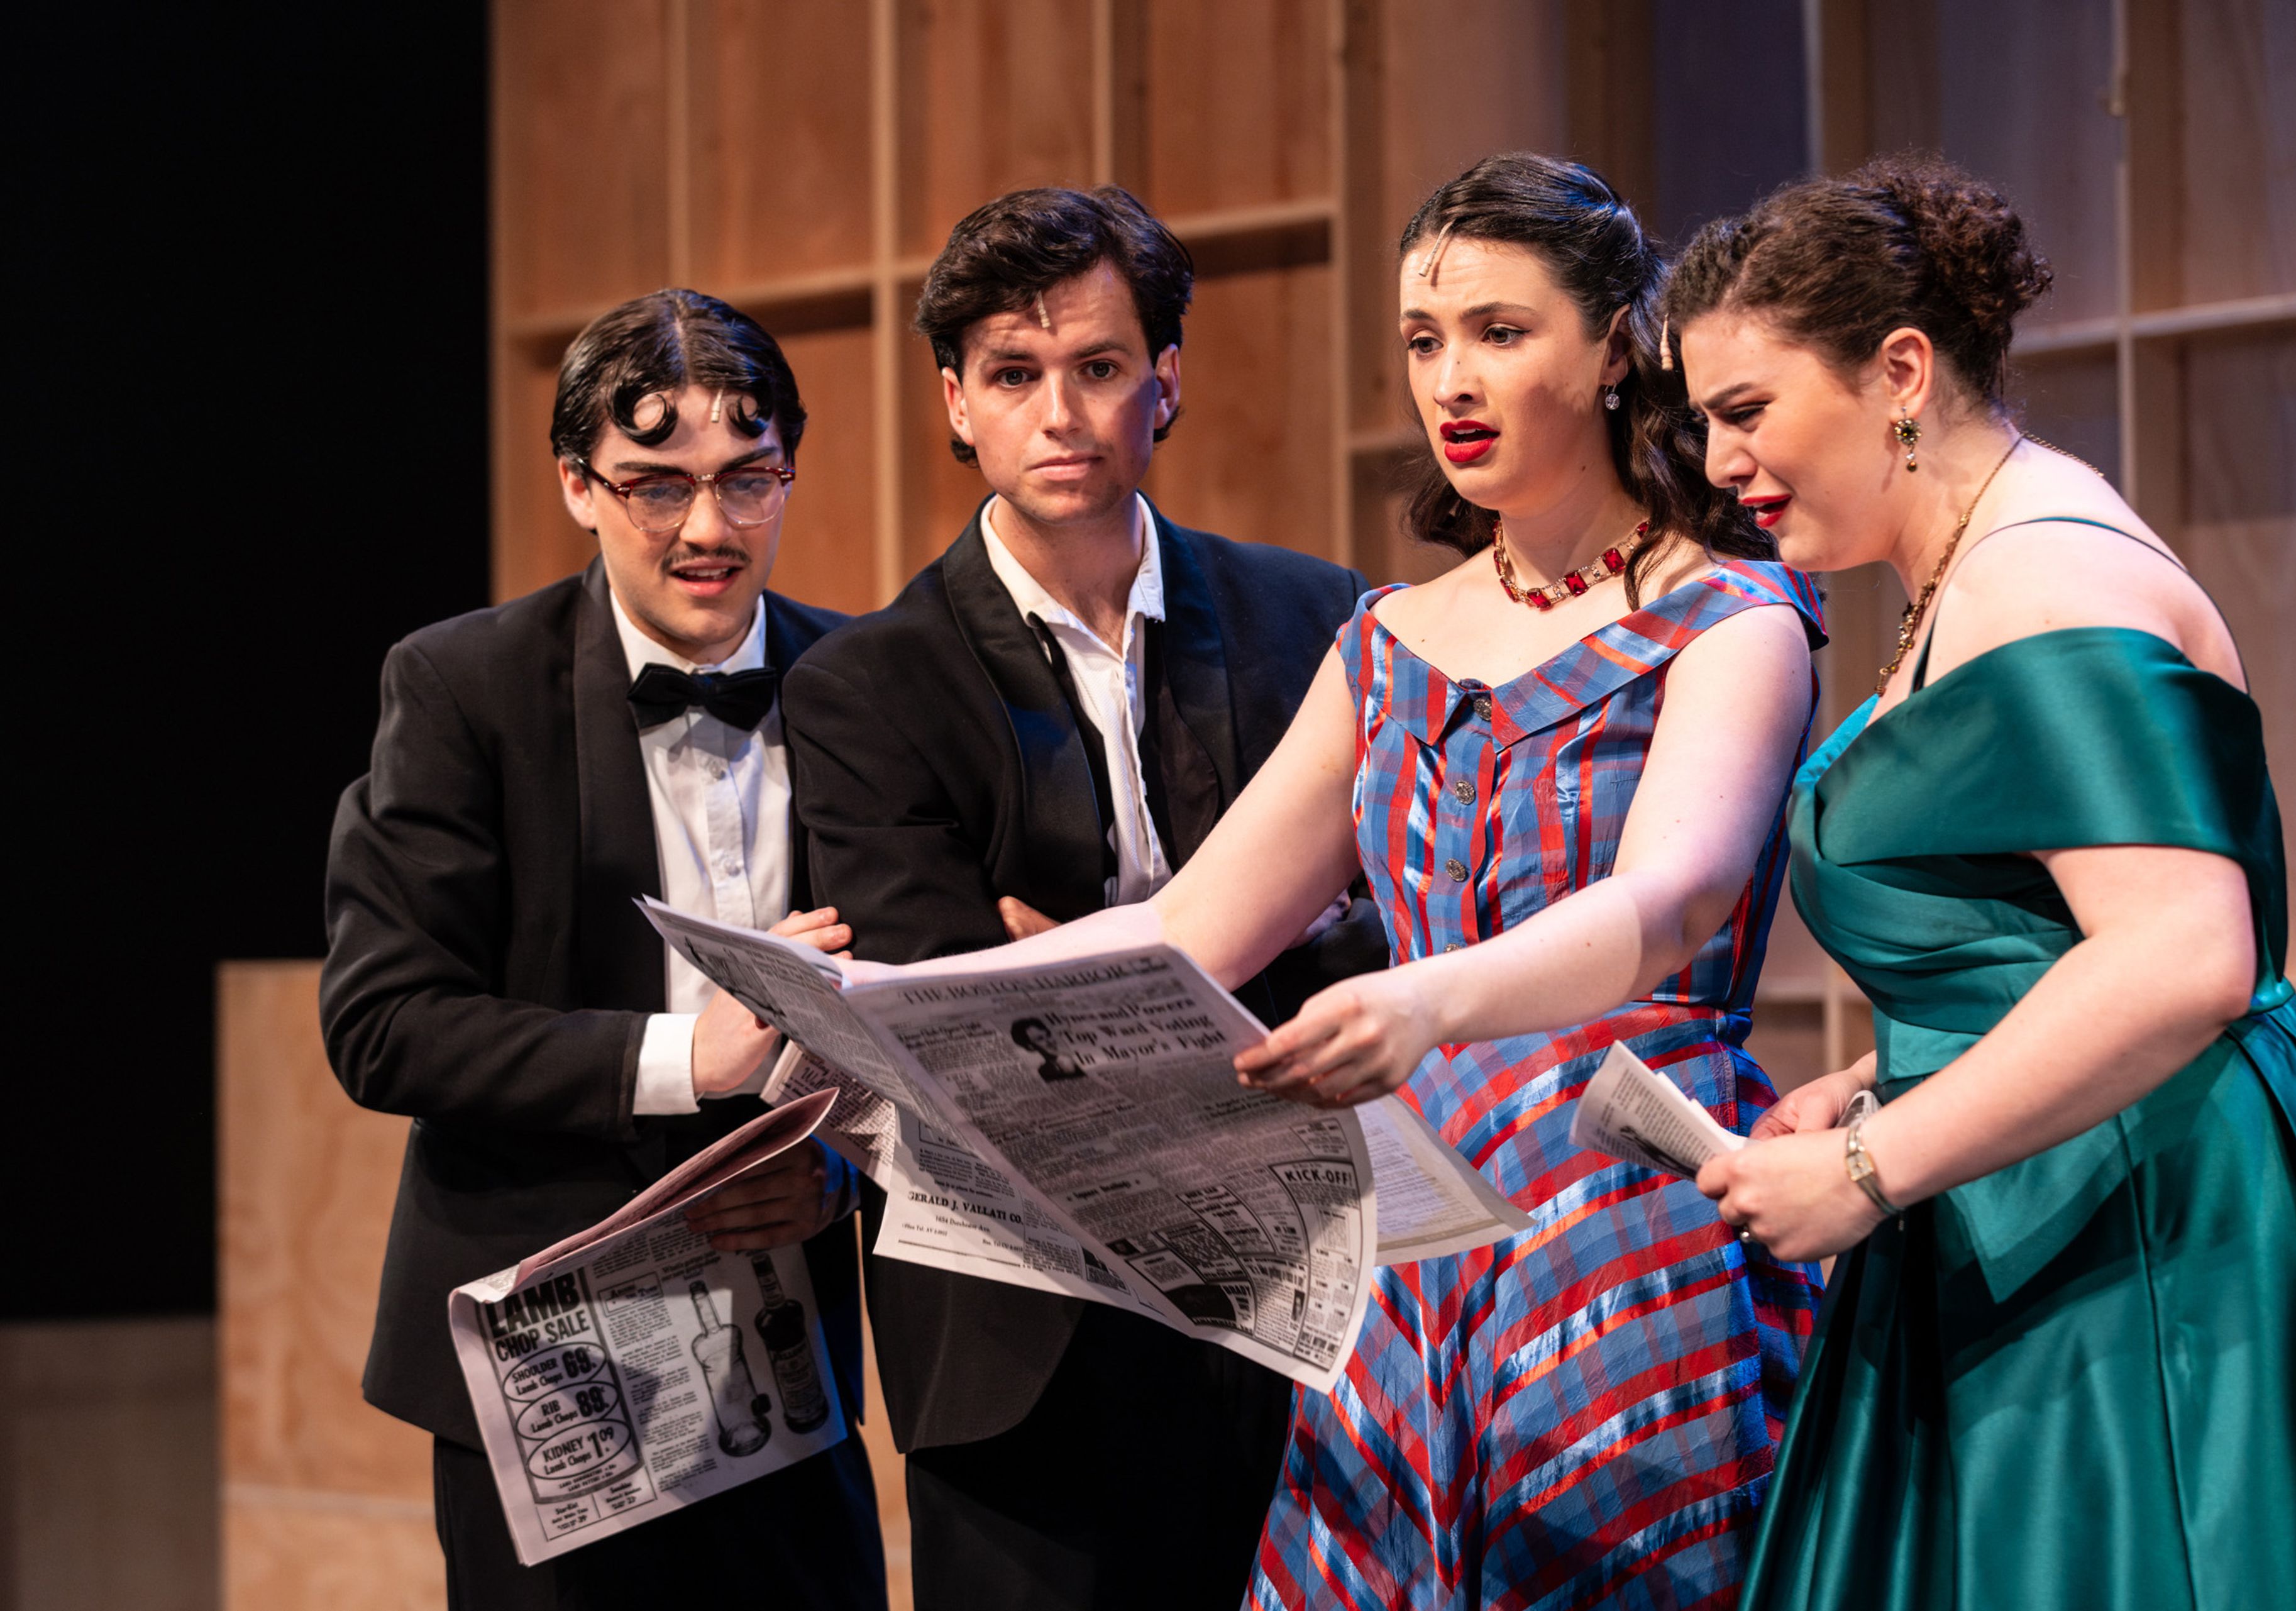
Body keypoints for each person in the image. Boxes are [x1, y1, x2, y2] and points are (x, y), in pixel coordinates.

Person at [851, 153, 1831, 1610]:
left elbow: (1666, 901)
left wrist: (1424, 1003)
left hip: (1626, 1210)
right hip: (1407, 1225)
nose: (1453, 379)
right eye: (1426, 341)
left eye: (1501, 332)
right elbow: (1189, 924)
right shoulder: (1385, 639)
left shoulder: (1727, 614)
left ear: (1619, 342)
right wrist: (886, 1004)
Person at [1665, 155, 2296, 1610]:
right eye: (1704, 423)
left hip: (2151, 1227)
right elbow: (2049, 927)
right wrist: (1889, 1071)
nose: (1718, 463)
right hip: (2042, 1185)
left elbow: (2186, 953)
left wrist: (1873, 1167)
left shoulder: (2045, 578)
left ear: (1899, 371)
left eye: (1746, 412)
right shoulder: (1970, 575)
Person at [784, 185, 1388, 1611]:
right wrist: (1251, 944)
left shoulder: (1324, 620)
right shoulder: (868, 685)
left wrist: (1073, 966)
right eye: (1013, 374)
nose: (1059, 414)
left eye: (1100, 368)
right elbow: (949, 1025)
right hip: (1016, 1328)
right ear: (957, 400)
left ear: (1163, 383)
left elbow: (1390, 927)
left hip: (1295, 1292)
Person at [322, 289, 883, 1609]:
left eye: (749, 480)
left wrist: (842, 1177)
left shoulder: (868, 682)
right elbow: (386, 1021)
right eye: (655, 485)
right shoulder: (463, 687)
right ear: (577, 484)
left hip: (789, 1356)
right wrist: (697, 1055)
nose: (708, 528)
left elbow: (929, 1010)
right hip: (547, 1359)